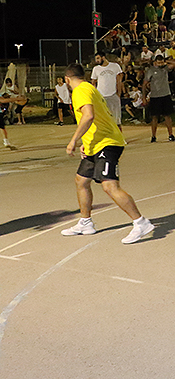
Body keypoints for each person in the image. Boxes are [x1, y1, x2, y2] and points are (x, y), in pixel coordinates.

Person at [59, 63, 155, 244]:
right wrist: (86, 142)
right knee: (81, 181)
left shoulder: (80, 91)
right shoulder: (89, 88)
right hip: (95, 144)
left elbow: (88, 116)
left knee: (109, 186)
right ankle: (85, 222)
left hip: (107, 144)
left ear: (67, 79)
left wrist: (73, 140)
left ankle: (141, 222)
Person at [142, 55, 175, 143]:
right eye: (158, 62)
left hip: (165, 94)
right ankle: (153, 136)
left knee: (167, 116)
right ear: (155, 62)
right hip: (155, 96)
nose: (160, 64)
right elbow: (144, 84)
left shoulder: (165, 68)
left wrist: (165, 62)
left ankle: (170, 135)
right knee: (154, 117)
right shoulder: (151, 70)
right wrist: (144, 97)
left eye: (161, 62)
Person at [91, 53, 124, 133]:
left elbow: (119, 80)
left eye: (98, 58)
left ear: (103, 57)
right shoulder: (96, 69)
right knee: (103, 119)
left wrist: (118, 93)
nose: (97, 60)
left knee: (116, 120)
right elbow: (93, 82)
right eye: (96, 59)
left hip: (113, 95)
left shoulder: (115, 66)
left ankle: (120, 138)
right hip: (101, 96)